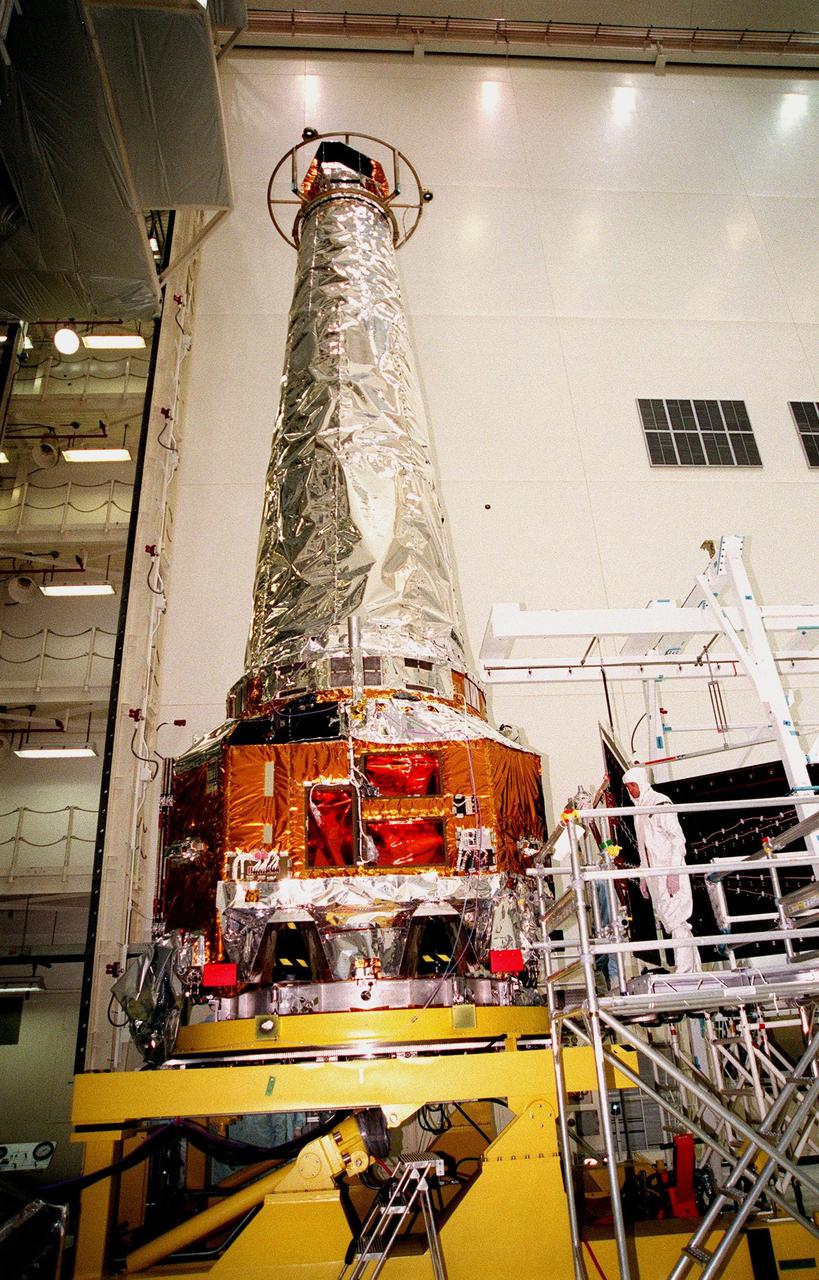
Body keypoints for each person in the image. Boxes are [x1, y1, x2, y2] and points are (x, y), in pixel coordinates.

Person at [622, 766, 701, 976]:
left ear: (642, 783)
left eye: (633, 785)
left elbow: (677, 839)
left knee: (676, 919)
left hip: (669, 871)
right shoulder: (639, 811)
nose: (631, 790)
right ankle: (693, 970)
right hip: (655, 876)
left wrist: (674, 872)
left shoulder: (660, 802)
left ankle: (684, 972)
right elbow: (644, 848)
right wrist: (643, 877)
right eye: (628, 787)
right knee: (673, 921)